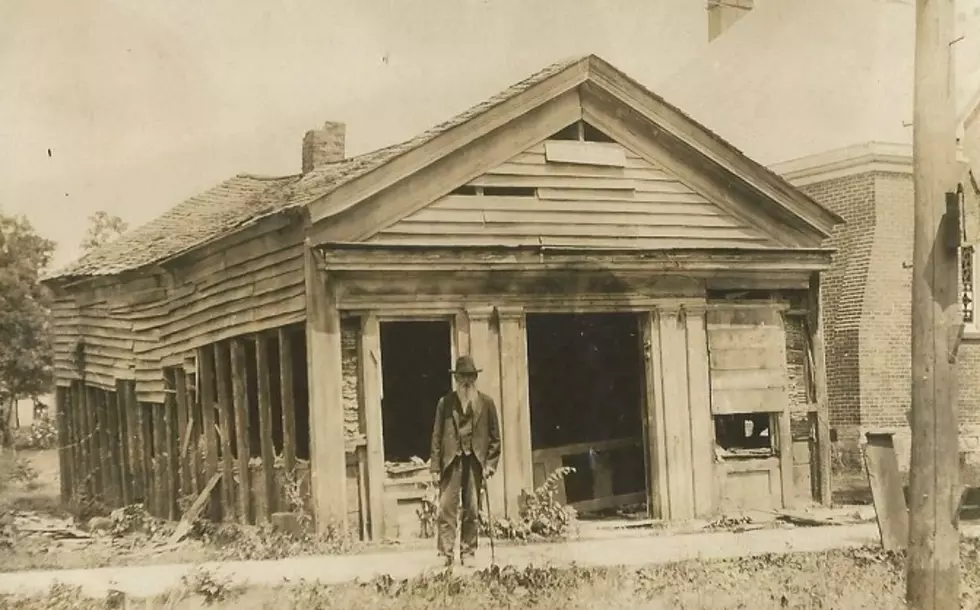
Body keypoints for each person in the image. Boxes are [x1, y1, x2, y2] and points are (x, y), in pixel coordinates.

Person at [429, 355, 501, 567]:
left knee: (472, 508)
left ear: (475, 377)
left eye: (470, 376)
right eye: (462, 377)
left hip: (475, 462)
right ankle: (445, 553)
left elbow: (495, 438)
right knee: (446, 508)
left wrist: (490, 464)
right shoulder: (445, 403)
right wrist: (435, 467)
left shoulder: (486, 403)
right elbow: (436, 436)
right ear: (456, 379)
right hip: (451, 461)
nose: (466, 381)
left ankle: (468, 552)